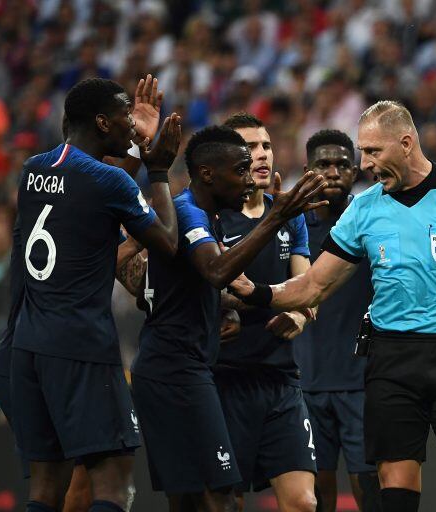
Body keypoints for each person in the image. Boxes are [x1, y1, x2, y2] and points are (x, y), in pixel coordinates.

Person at [231, 100, 436, 512]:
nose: (366, 164)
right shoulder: (364, 209)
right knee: (394, 500)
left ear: (406, 143)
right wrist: (257, 292)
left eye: (373, 152)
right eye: (363, 152)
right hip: (392, 360)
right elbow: (314, 284)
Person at [130, 125, 327, 512]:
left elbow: (303, 286)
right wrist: (276, 218)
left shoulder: (214, 215)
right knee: (212, 498)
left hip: (252, 375)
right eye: (242, 162)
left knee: (205, 499)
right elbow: (217, 273)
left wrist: (234, 308)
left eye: (266, 147)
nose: (254, 165)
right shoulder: (188, 210)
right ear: (209, 172)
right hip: (190, 372)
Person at [10, 77, 183, 512]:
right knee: (114, 483)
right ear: (103, 122)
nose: (132, 123)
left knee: (45, 489)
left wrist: (131, 150)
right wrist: (157, 167)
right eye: (126, 116)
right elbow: (167, 241)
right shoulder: (109, 183)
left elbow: (96, 198)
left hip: (29, 345)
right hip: (82, 344)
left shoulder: (33, 170)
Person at [212, 112, 318, 512]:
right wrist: (286, 299)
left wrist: (301, 313)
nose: (261, 156)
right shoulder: (211, 217)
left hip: (280, 380)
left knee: (304, 503)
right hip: (225, 380)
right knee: (227, 503)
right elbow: (218, 288)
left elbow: (307, 286)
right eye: (249, 148)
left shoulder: (289, 213)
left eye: (266, 146)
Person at [293, 129, 380, 512]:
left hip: (360, 381)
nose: (332, 172)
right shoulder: (290, 227)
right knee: (317, 492)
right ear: (307, 169)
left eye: (342, 165)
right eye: (322, 164)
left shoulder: (372, 222)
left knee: (369, 486)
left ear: (356, 170)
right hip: (305, 382)